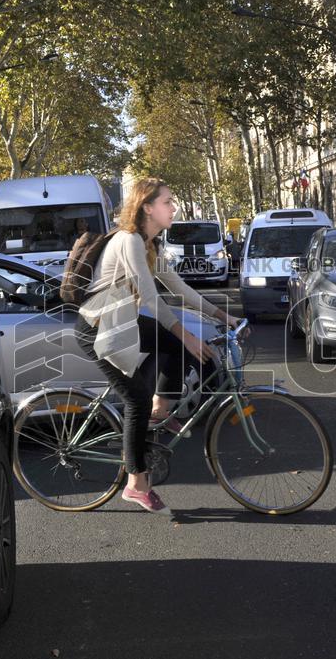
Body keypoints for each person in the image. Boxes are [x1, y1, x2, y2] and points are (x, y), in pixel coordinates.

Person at [75, 178, 248, 515]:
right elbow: (152, 298)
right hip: (97, 328)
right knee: (135, 397)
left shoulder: (149, 245)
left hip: (120, 320)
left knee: (175, 345)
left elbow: (179, 287)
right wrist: (187, 334)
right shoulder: (129, 241)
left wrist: (222, 315)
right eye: (168, 202)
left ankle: (162, 409)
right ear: (147, 207)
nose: (174, 208)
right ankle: (136, 484)